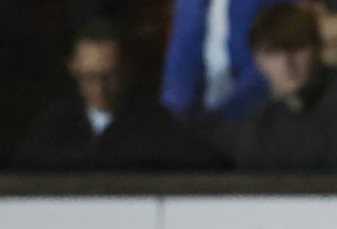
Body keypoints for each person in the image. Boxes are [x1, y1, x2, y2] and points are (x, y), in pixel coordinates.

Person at [13, 20, 221, 171]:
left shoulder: (155, 122)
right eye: (89, 77)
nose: (100, 88)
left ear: (127, 71)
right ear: (73, 69)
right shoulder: (54, 124)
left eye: (109, 76)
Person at [161, 0, 307, 123]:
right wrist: (175, 114)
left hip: (255, 116)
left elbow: (277, 60)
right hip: (200, 118)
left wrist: (220, 117)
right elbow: (181, 53)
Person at [233, 2, 337, 171]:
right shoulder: (257, 126)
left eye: (296, 49)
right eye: (273, 53)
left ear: (318, 48)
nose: (286, 64)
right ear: (258, 61)